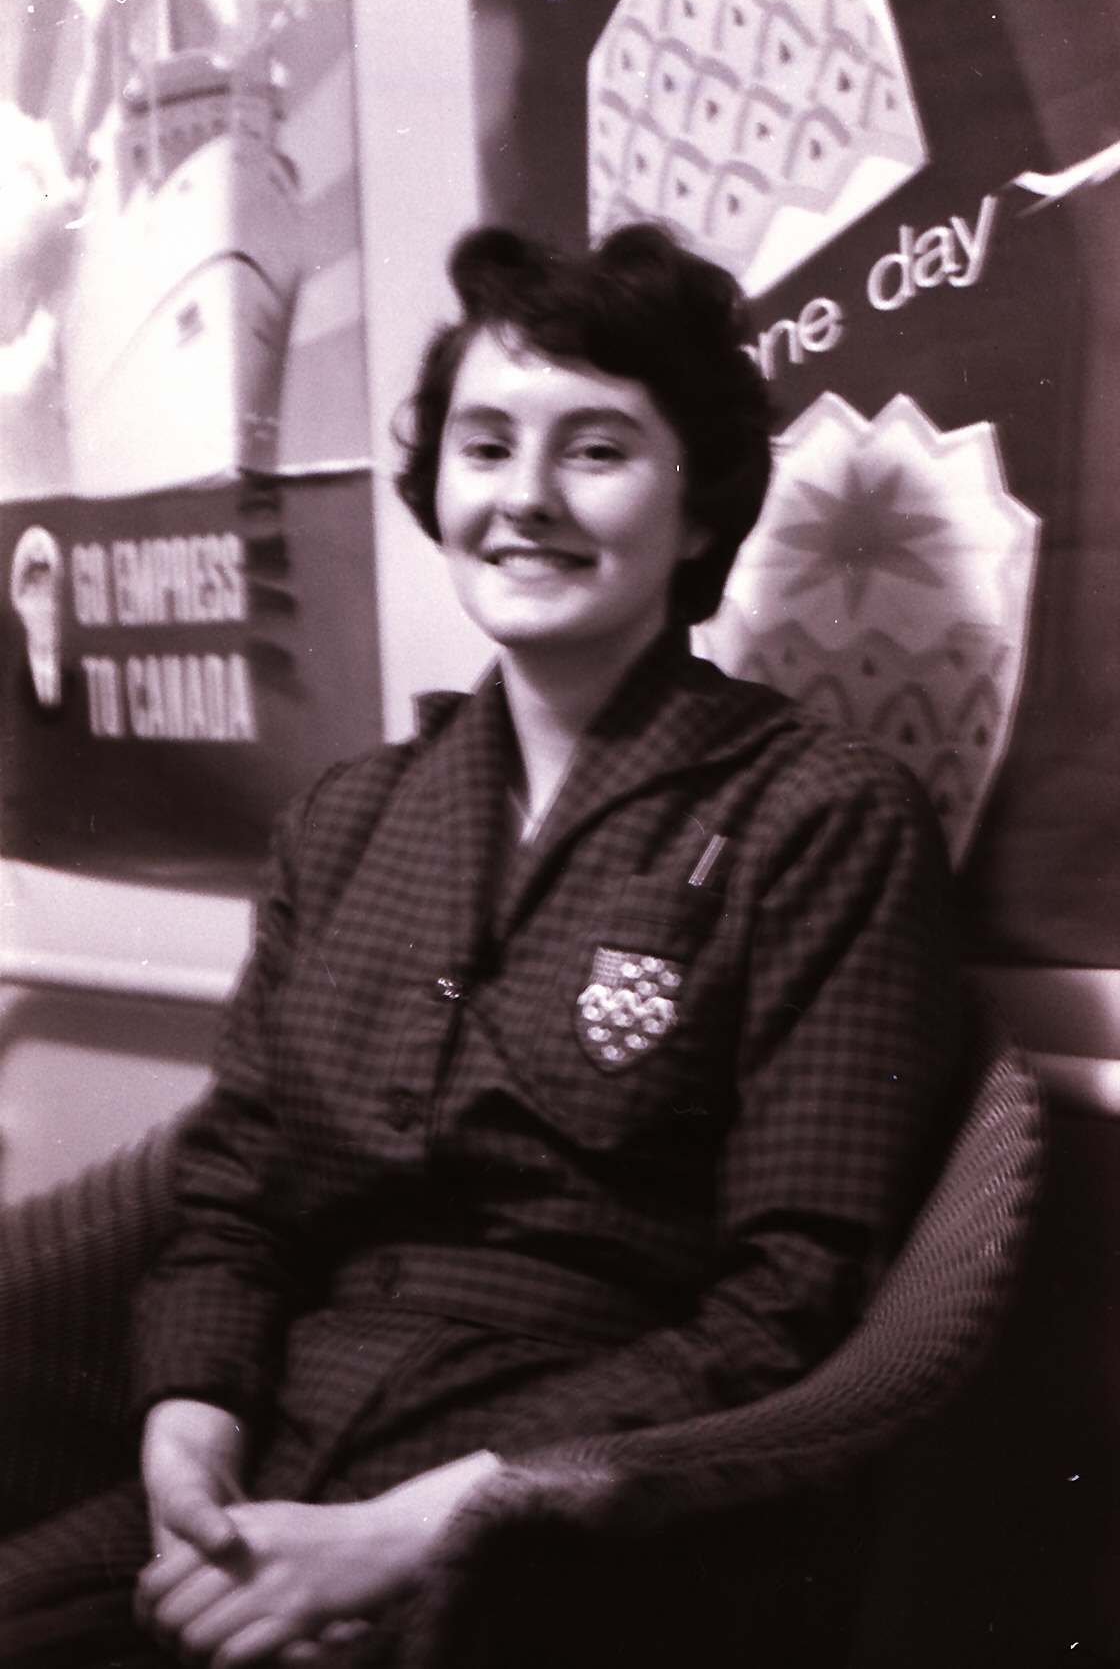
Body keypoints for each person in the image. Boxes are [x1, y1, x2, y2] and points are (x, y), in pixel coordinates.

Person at [0, 222, 962, 1666]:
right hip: (270, 1460)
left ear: (698, 509)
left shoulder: (818, 819)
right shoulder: (348, 820)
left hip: (569, 1517)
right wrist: (188, 1433)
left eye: (596, 450)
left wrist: (423, 1526)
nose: (525, 498)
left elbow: (791, 1303)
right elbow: (233, 1202)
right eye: (486, 444)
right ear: (436, 485)